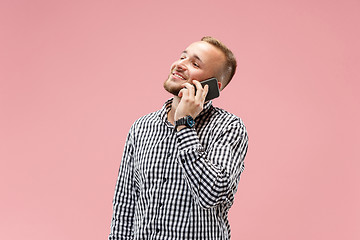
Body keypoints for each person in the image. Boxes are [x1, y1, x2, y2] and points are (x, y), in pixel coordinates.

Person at [109, 36, 249, 240]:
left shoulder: (228, 127)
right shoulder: (141, 127)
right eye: (182, 57)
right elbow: (125, 204)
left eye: (194, 63)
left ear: (212, 87)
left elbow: (212, 194)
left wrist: (185, 124)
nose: (180, 64)